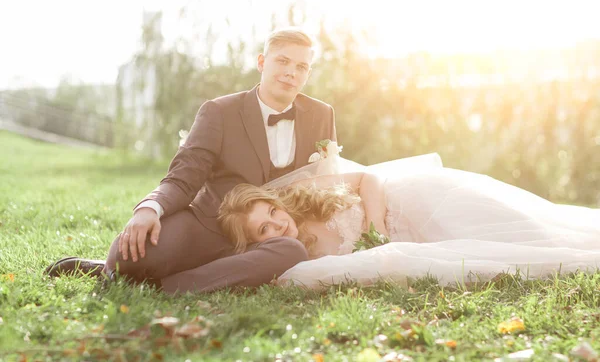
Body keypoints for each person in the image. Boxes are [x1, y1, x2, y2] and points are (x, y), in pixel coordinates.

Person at [45, 27, 338, 293]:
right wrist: (150, 208)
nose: (291, 73)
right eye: (283, 62)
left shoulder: (322, 114)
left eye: (301, 67)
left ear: (307, 74)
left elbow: (327, 180)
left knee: (293, 252)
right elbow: (186, 173)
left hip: (276, 234)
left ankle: (166, 285)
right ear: (262, 63)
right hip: (212, 226)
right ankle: (119, 269)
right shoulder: (219, 111)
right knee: (125, 258)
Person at [217, 164, 600, 288]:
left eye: (271, 212)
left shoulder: (301, 194)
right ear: (254, 243)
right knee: (510, 250)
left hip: (421, 203)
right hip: (419, 238)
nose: (276, 224)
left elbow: (367, 179)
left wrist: (378, 226)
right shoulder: (298, 258)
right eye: (263, 230)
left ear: (275, 202)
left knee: (526, 228)